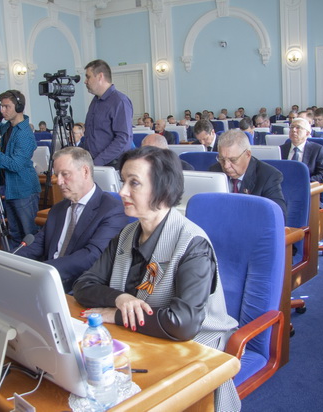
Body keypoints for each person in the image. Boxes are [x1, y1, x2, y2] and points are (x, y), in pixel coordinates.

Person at [73, 146, 240, 411]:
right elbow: (83, 285)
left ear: (162, 191)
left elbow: (183, 324)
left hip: (195, 345)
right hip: (144, 337)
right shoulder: (127, 234)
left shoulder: (192, 244)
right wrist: (122, 299)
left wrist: (115, 314)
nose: (122, 191)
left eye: (134, 183)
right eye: (124, 181)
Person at [16, 147, 128, 292]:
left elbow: (92, 256)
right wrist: (8, 261)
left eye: (65, 174)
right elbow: (38, 243)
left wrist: (44, 271)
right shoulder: (58, 209)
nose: (59, 181)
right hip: (48, 281)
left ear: (85, 172)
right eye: (57, 175)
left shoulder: (112, 209)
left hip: (79, 288)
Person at [0, 89, 40, 248]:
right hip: (11, 189)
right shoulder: (8, 127)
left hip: (24, 190)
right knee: (14, 233)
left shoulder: (25, 134)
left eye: (7, 107)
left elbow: (15, 165)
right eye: (1, 106)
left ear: (19, 107)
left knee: (28, 234)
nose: (3, 110)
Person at [208, 129, 287, 220]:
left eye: (233, 160)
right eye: (221, 159)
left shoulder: (268, 176)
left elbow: (279, 216)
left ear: (248, 154)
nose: (226, 166)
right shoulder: (214, 171)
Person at [81, 59, 133, 167]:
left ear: (100, 76)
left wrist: (97, 162)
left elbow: (122, 139)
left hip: (111, 165)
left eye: (88, 76)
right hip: (94, 163)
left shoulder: (120, 101)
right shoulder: (95, 101)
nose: (85, 81)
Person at [280, 118, 323, 183]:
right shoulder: (281, 149)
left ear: (307, 133)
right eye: (291, 127)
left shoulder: (317, 150)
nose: (293, 130)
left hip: (306, 187)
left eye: (298, 127)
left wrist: (304, 181)